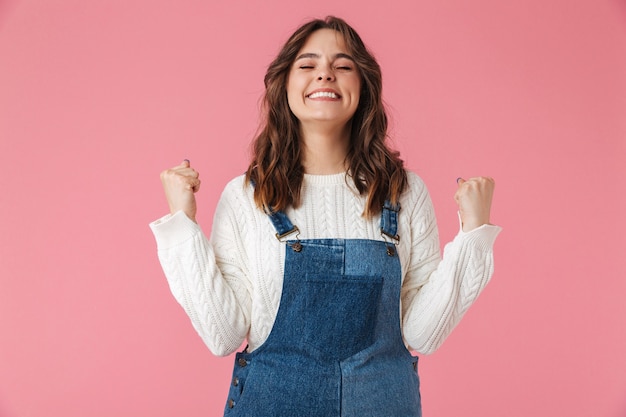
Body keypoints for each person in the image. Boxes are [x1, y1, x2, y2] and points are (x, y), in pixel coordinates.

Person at [150, 16, 501, 417]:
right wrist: (181, 223)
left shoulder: (403, 191)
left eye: (343, 66)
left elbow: (423, 333)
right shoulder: (247, 196)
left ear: (363, 85)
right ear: (285, 85)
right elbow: (223, 334)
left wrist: (474, 234)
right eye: (308, 65)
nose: (325, 75)